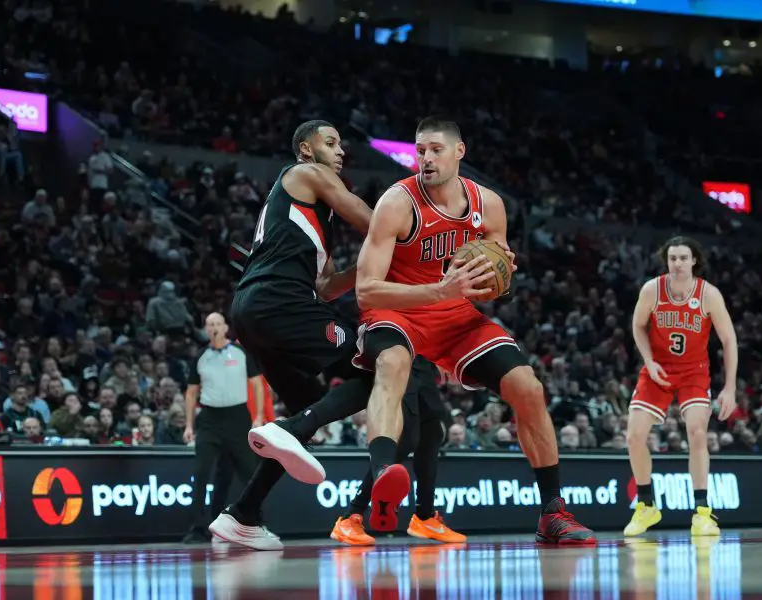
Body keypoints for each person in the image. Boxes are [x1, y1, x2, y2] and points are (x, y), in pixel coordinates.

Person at [262, 116, 593, 543]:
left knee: (527, 387)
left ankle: (552, 511)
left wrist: (499, 280)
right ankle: (384, 472)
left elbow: (499, 287)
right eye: (420, 150)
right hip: (399, 311)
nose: (426, 158)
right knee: (394, 362)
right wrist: (439, 290)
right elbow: (366, 291)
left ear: (460, 152)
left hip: (455, 317)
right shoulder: (397, 203)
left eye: (436, 149)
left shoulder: (488, 204)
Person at [208, 120, 384, 550]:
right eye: (330, 143)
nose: (340, 151)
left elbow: (326, 287)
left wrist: (371, 267)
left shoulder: (304, 212)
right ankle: (288, 427)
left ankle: (243, 515)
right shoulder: (306, 173)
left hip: (254, 310)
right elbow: (369, 219)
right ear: (306, 150)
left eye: (342, 144)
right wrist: (418, 241)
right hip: (278, 302)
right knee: (379, 369)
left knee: (306, 409)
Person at [624, 237, 737, 537]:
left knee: (697, 430)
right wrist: (648, 360)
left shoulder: (709, 294)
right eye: (672, 258)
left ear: (694, 261)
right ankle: (646, 505)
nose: (677, 263)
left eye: (683, 258)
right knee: (634, 435)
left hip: (694, 372)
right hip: (658, 368)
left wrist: (730, 388)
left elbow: (728, 339)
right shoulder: (652, 290)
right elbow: (637, 325)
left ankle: (702, 512)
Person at [330, 357, 466, 545]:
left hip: (423, 360)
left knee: (432, 433)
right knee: (405, 439)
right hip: (402, 355)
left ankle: (425, 517)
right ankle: (350, 516)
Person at [182, 312, 263, 543]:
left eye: (218, 323)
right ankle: (198, 528)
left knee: (249, 473)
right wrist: (189, 425)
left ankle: (254, 523)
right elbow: (190, 393)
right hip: (209, 419)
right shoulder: (201, 356)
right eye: (210, 324)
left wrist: (257, 416)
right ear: (206, 329)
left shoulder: (239, 352)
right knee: (200, 473)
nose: (215, 327)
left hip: (237, 417)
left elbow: (257, 384)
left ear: (225, 327)